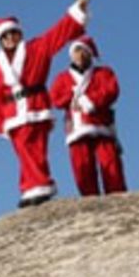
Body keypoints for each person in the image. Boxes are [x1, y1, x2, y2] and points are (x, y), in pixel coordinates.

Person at [0, 0, 90, 207]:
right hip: (13, 113)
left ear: (20, 34)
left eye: (13, 33)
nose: (10, 38)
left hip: (36, 105)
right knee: (23, 152)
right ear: (0, 40)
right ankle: (29, 186)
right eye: (5, 36)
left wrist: (76, 10)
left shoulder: (37, 48)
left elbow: (57, 34)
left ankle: (40, 184)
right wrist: (0, 121)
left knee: (36, 149)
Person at [50, 35, 126, 196]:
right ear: (71, 54)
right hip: (77, 129)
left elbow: (111, 91)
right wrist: (72, 98)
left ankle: (117, 196)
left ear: (90, 55)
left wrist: (89, 100)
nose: (81, 55)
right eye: (77, 51)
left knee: (110, 164)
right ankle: (89, 199)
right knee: (82, 167)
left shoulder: (103, 73)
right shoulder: (63, 78)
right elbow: (55, 98)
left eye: (85, 51)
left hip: (102, 125)